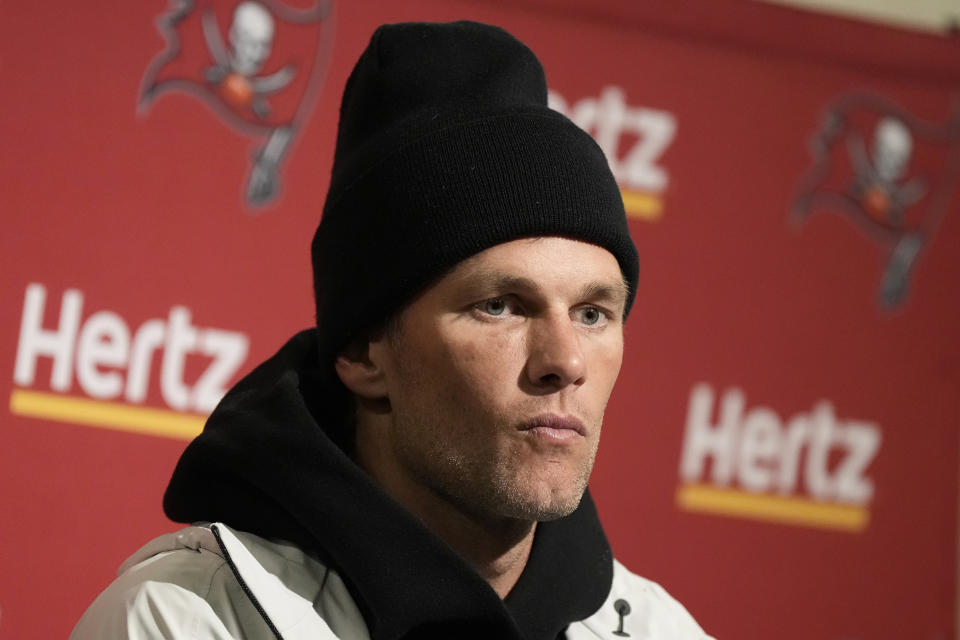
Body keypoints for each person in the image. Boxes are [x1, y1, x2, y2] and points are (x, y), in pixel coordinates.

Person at [71, 20, 713, 640]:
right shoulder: (185, 623)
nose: (565, 360)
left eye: (593, 312)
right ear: (362, 352)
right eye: (501, 305)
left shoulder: (663, 632)